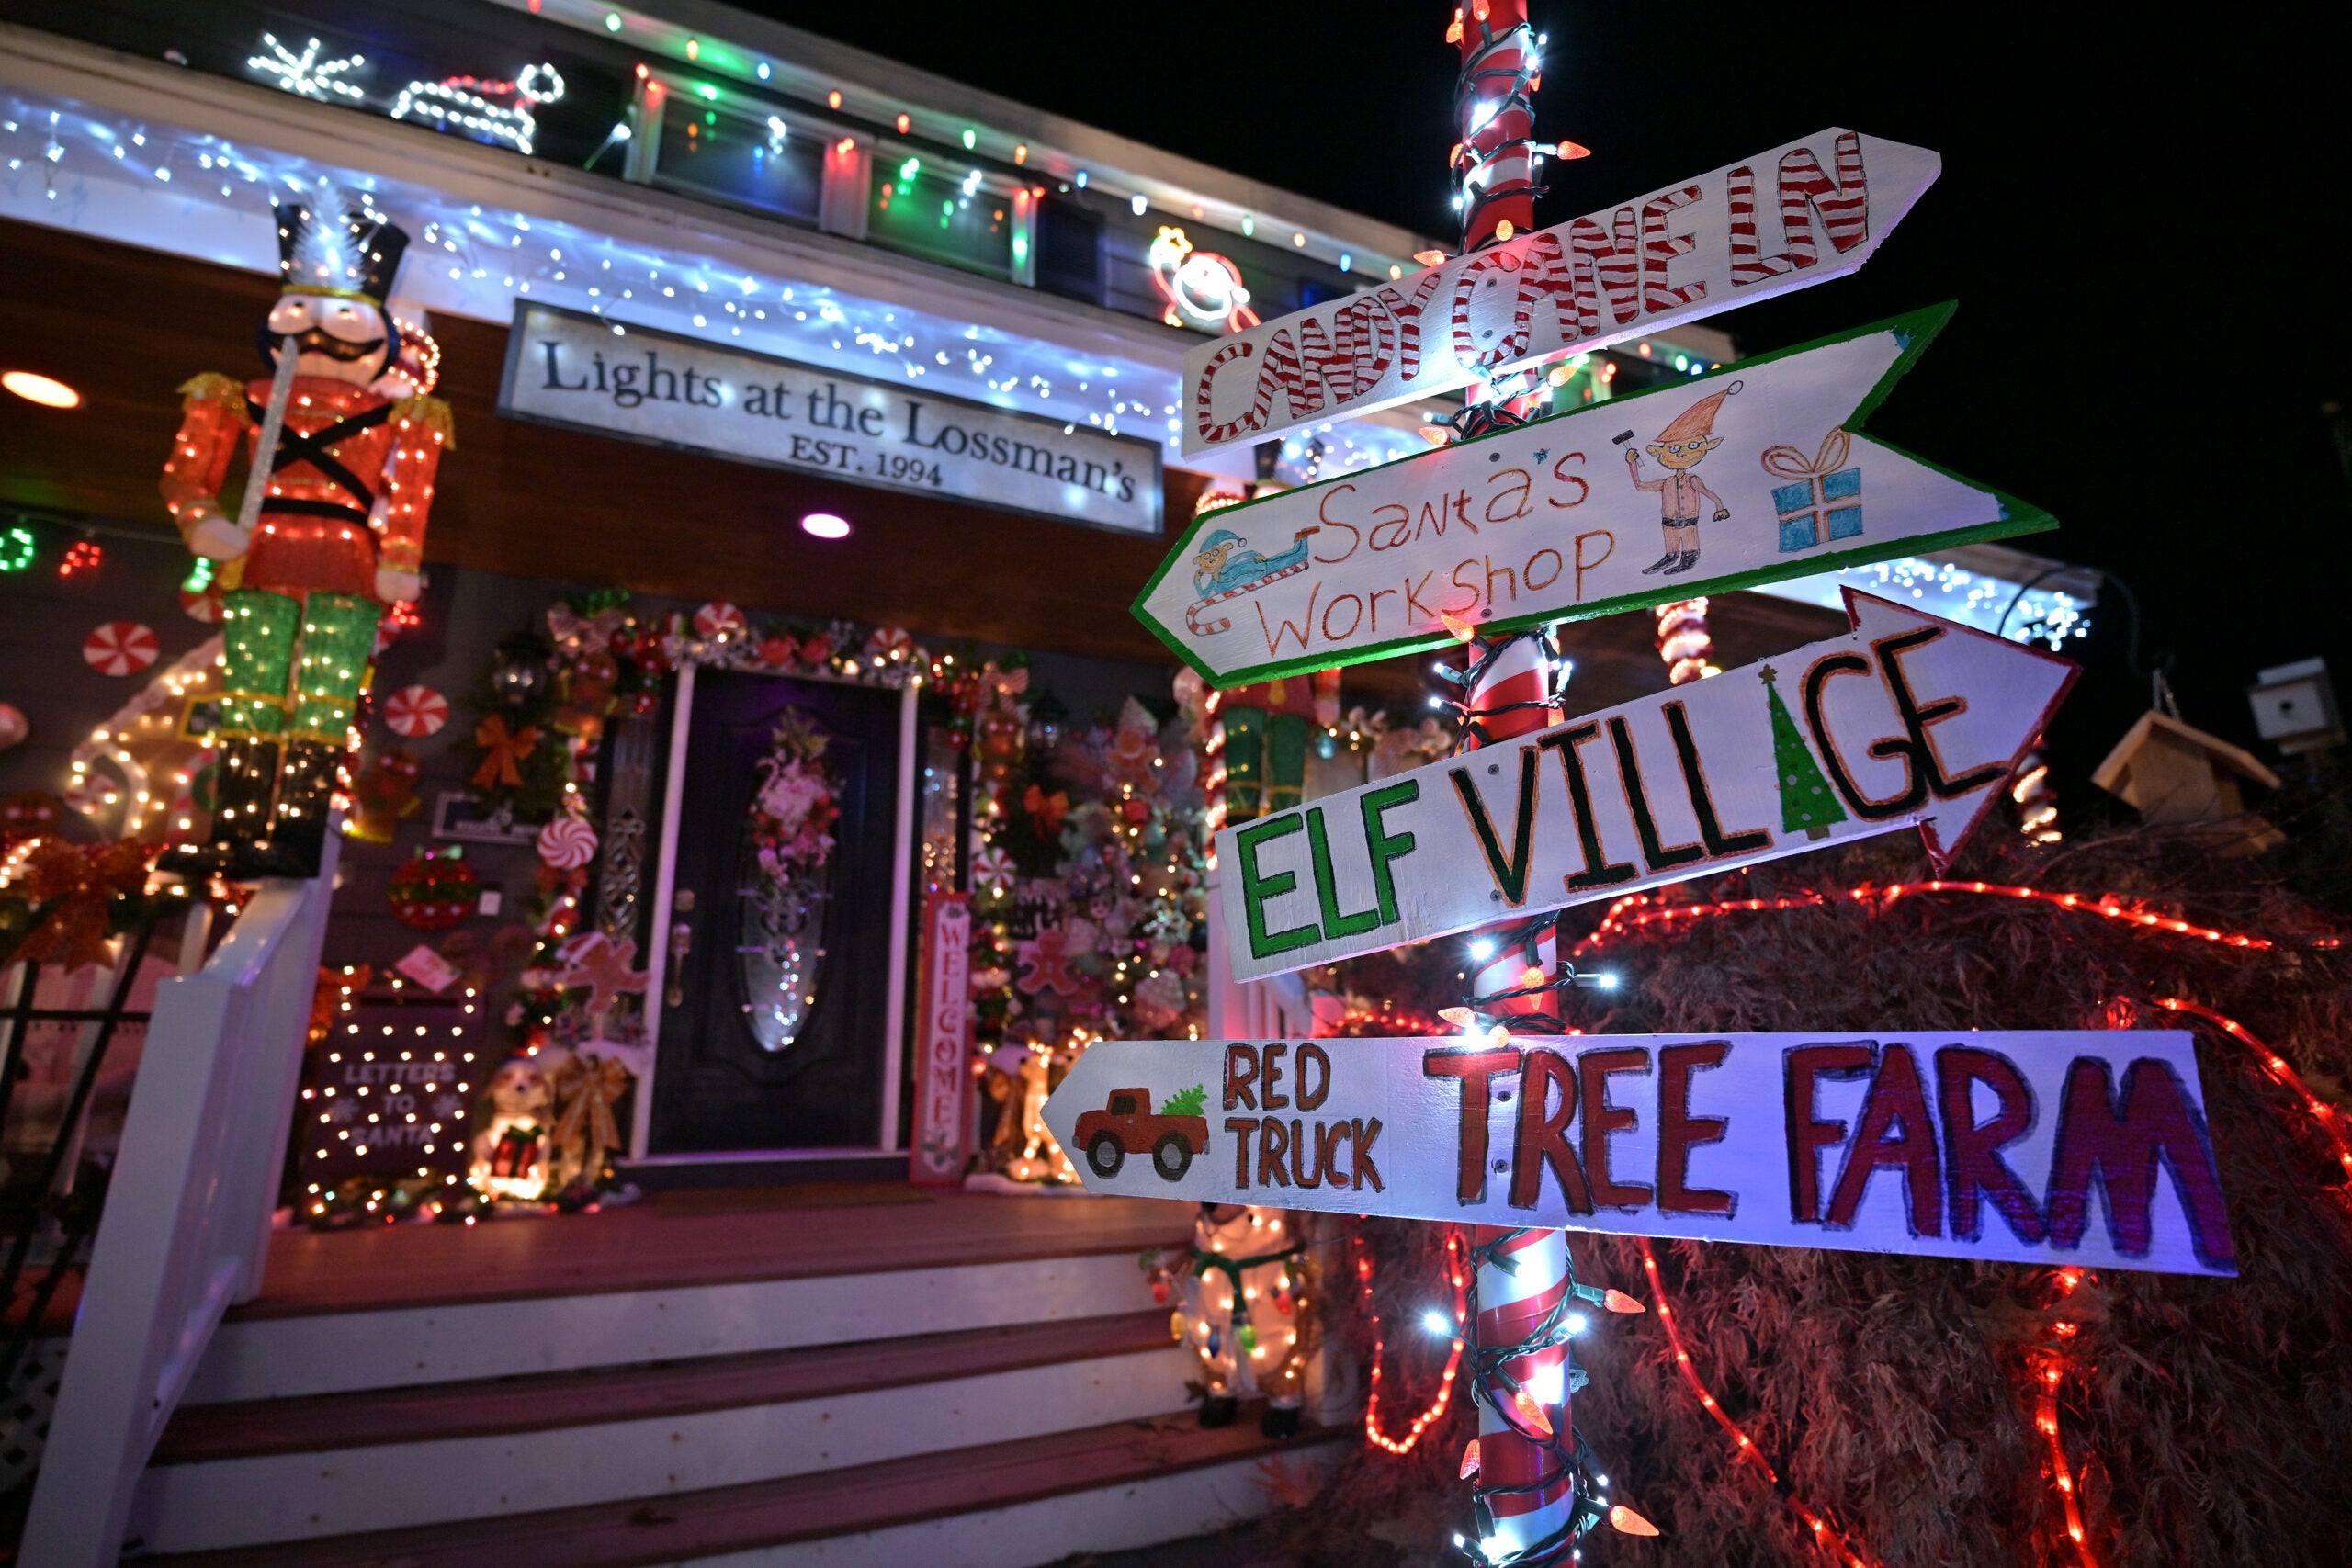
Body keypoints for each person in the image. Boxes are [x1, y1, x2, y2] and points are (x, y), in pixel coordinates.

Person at [159, 187, 451, 877]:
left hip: (348, 561)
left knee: (325, 696)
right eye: (303, 309)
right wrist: (202, 521)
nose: (321, 328)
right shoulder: (237, 396)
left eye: (344, 312)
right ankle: (234, 831)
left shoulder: (405, 417)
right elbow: (187, 476)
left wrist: (400, 556)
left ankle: (296, 833)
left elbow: (411, 496)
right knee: (251, 690)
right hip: (261, 552)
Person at [1623, 379, 1741, 578]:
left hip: (1689, 524)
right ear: (1659, 452)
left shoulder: (1692, 480)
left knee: (1689, 553)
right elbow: (1640, 485)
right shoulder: (1667, 483)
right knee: (1671, 553)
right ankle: (1670, 558)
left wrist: (1720, 507)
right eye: (1674, 448)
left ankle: (1687, 559)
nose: (1680, 453)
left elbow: (1706, 492)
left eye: (1692, 446)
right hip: (1668, 524)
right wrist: (1632, 463)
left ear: (1708, 446)